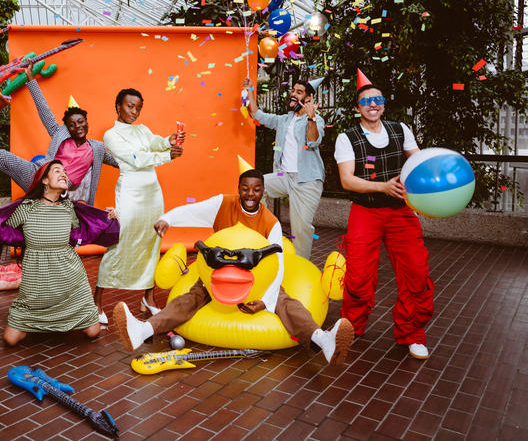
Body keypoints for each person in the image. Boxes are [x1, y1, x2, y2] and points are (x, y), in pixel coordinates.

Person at [113, 169, 354, 366]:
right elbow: (193, 211)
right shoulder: (223, 204)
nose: (250, 194)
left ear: (264, 191)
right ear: (238, 189)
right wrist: (168, 218)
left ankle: (324, 341)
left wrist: (266, 302)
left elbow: (277, 265)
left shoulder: (271, 222)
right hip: (217, 277)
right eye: (245, 188)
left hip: (256, 281)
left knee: (287, 304)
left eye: (257, 189)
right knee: (189, 299)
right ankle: (142, 331)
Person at [334, 71, 433, 360]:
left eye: (377, 100)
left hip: (400, 212)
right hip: (365, 212)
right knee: (359, 275)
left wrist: (431, 172)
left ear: (384, 104)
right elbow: (347, 181)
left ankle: (412, 333)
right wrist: (382, 186)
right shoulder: (346, 137)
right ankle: (352, 327)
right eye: (366, 101)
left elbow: (417, 160)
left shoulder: (401, 129)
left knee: (416, 271)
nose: (372, 105)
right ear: (357, 108)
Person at [0, 160, 117, 346]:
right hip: (37, 285)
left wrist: (108, 217)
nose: (64, 174)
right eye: (58, 171)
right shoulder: (27, 207)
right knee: (10, 340)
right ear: (44, 181)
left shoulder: (68, 208)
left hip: (71, 281)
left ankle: (69, 316)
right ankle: (40, 321)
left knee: (93, 332)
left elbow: (90, 227)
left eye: (65, 171)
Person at [0, 63, 118, 205]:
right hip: (40, 176)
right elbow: (44, 110)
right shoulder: (59, 134)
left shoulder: (97, 148)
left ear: (87, 123)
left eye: (80, 122)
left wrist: (143, 162)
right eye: (72, 124)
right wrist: (30, 80)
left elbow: (120, 161)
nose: (77, 126)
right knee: (5, 158)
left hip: (60, 190)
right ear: (67, 128)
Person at [94, 88, 184, 323]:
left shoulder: (142, 129)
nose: (134, 111)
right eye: (129, 106)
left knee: (152, 242)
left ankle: (148, 299)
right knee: (120, 242)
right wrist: (166, 156)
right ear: (118, 106)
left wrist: (169, 141)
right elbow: (136, 159)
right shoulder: (111, 135)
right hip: (131, 193)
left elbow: (154, 141)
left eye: (138, 107)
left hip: (152, 193)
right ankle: (96, 302)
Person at [242, 76, 326, 260]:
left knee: (301, 228)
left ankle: (301, 267)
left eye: (299, 92)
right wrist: (249, 90)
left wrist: (311, 117)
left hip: (307, 180)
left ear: (308, 98)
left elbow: (313, 142)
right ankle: (262, 231)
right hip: (283, 175)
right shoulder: (284, 120)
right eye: (293, 91)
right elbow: (257, 115)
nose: (293, 94)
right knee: (256, 187)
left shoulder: (316, 120)